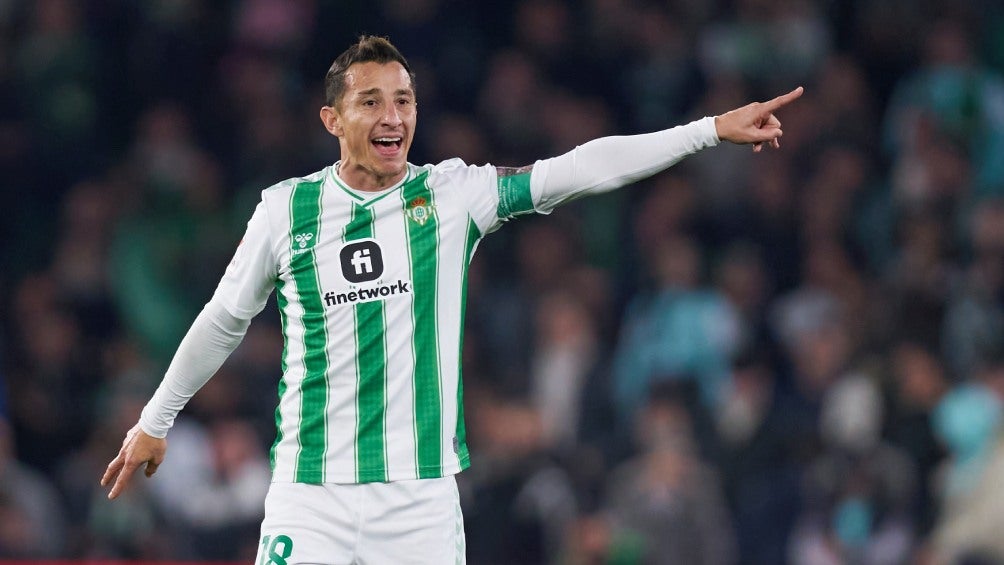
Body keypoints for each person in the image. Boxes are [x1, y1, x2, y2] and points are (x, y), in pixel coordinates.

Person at [101, 35, 802, 564]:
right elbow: (225, 318)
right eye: (371, 101)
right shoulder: (287, 210)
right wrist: (156, 419)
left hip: (420, 501)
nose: (393, 116)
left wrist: (707, 130)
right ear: (331, 119)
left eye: (403, 100)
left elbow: (575, 170)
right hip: (310, 494)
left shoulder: (449, 195)